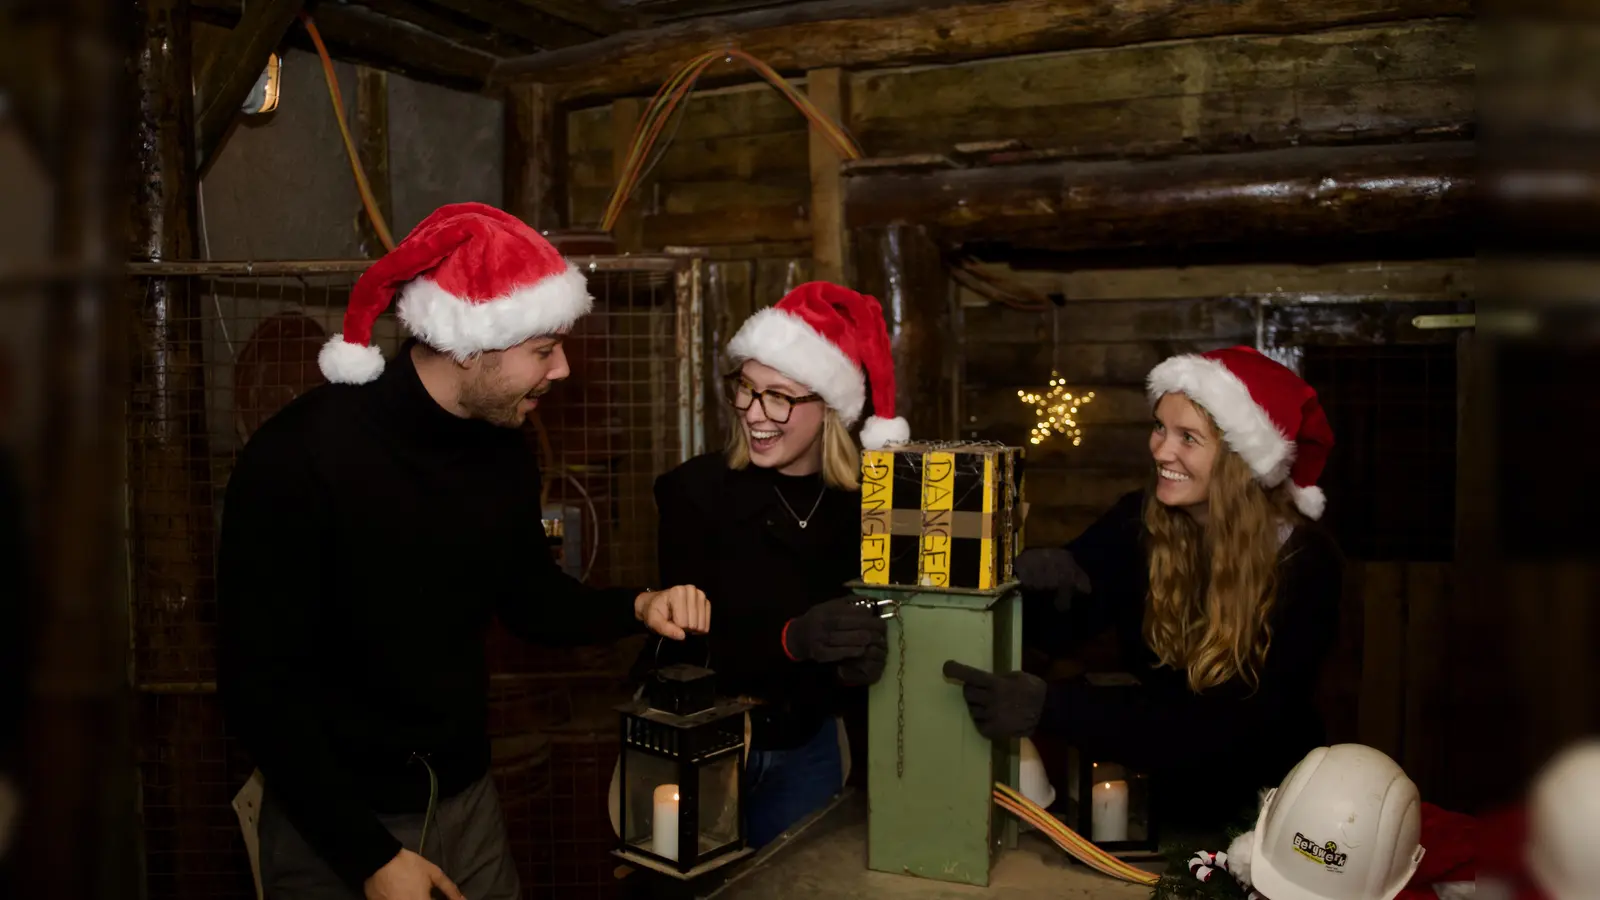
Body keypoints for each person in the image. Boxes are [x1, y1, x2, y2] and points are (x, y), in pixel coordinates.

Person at [217, 203, 712, 900]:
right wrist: (370, 858)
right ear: (470, 344)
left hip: (465, 805)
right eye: (544, 349)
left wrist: (638, 605)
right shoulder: (298, 457)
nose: (564, 369)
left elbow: (530, 599)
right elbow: (257, 690)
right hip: (332, 829)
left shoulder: (503, 448)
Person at [944, 345, 1343, 830]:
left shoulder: (1305, 564)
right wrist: (1033, 579)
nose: (1160, 450)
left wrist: (1052, 706)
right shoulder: (1141, 518)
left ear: (1243, 462)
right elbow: (1063, 628)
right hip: (1169, 801)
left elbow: (1224, 725)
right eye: (1159, 427)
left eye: (1188, 438)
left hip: (1268, 814)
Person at [641, 281, 910, 848]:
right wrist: (793, 638)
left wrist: (855, 665)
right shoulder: (695, 493)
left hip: (809, 746)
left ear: (831, 408)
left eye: (779, 396)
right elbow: (687, 640)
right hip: (706, 741)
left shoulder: (866, 506)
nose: (753, 412)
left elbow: (879, 630)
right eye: (746, 388)